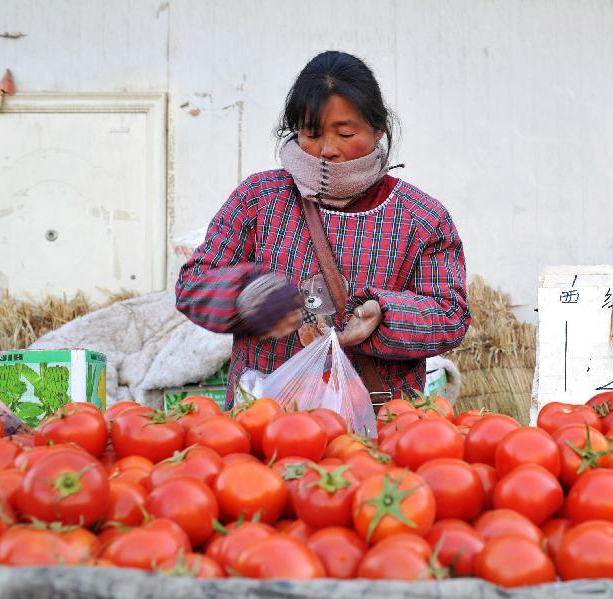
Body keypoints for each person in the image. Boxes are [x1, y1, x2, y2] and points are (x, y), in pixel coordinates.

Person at [175, 50, 470, 408]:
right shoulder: (259, 199)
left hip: (382, 427)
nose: (327, 149)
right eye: (311, 133)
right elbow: (193, 286)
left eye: (345, 133)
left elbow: (450, 316)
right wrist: (248, 297)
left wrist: (383, 315)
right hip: (265, 422)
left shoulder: (422, 218)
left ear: (378, 130)